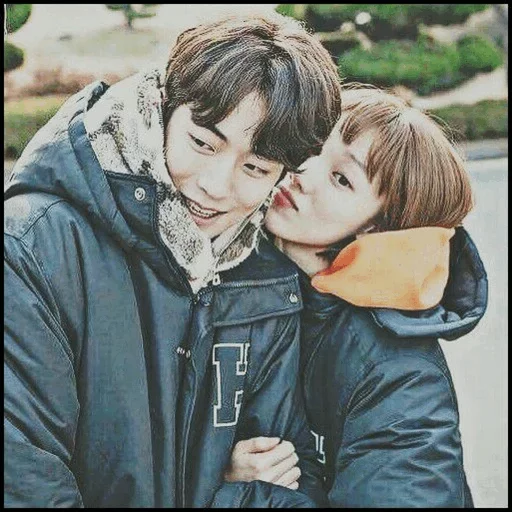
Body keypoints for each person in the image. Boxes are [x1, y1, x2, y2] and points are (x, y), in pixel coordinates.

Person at [4, 13, 343, 508]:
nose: (216, 186)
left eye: (255, 167)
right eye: (202, 143)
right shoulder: (35, 247)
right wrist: (214, 486)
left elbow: (289, 478)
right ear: (162, 107)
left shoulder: (264, 273)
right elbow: (24, 478)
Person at [224, 86, 488, 507]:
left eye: (342, 178)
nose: (303, 171)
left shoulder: (401, 376)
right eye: (313, 147)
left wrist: (240, 495)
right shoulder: (227, 274)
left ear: (377, 228)